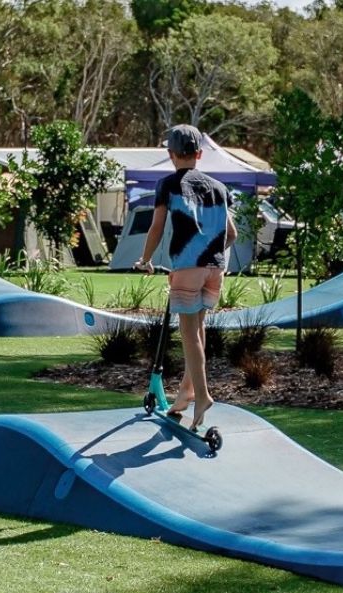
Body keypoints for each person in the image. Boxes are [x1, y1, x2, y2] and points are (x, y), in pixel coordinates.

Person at [135, 124, 237, 431]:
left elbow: (156, 227)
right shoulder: (219, 188)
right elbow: (231, 233)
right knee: (199, 330)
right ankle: (184, 396)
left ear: (170, 154)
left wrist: (146, 259)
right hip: (214, 267)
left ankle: (203, 396)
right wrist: (212, 254)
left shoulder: (167, 184)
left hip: (186, 267)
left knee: (189, 333)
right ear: (199, 154)